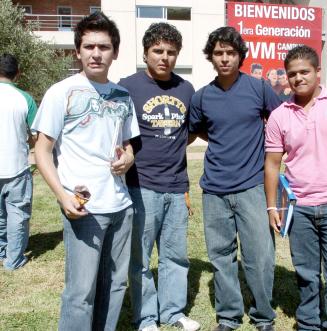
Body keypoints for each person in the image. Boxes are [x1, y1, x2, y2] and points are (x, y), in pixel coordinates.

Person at [32, 12, 139, 330]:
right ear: (78, 51)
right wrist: (63, 196)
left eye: (103, 47)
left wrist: (129, 157)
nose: (96, 53)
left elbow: (128, 144)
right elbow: (42, 151)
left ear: (115, 52)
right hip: (84, 207)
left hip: (121, 206)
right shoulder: (60, 92)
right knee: (81, 292)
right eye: (89, 46)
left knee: (116, 285)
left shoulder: (123, 96)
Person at [265, 45, 327, 331]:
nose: (298, 78)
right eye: (292, 74)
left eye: (304, 72)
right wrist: (273, 206)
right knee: (307, 275)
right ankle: (308, 324)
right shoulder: (279, 115)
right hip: (301, 210)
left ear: (318, 72)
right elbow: (272, 164)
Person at [188, 26, 281, 331]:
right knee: (221, 256)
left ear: (240, 55)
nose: (225, 58)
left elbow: (280, 122)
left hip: (253, 186)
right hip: (214, 189)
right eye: (218, 53)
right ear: (211, 57)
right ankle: (228, 317)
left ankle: (263, 317)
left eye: (230, 52)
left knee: (260, 257)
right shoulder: (202, 97)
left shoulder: (259, 88)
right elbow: (198, 129)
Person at [118, 23, 199, 331]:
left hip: (177, 187)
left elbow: (187, 133)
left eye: (171, 52)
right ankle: (146, 318)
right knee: (140, 259)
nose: (165, 57)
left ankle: (173, 312)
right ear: (146, 53)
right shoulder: (127, 86)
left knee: (175, 256)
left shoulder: (186, 89)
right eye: (158, 51)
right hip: (142, 186)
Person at [0, 53, 37, 271]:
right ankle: (13, 259)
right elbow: (37, 134)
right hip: (17, 167)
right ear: (18, 73)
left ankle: (1, 250)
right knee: (17, 214)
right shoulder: (25, 98)